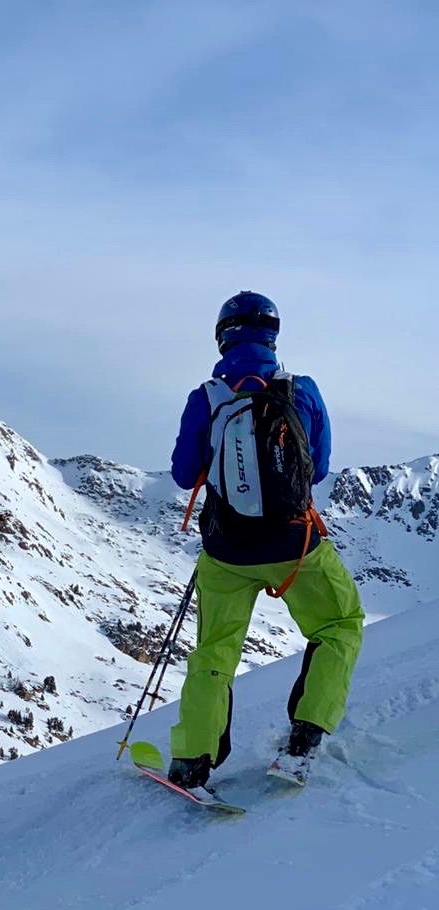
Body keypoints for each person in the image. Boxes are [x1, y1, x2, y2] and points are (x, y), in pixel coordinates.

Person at [167, 291, 364, 786]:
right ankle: (305, 738)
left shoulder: (206, 397)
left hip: (226, 551)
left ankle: (191, 760)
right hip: (295, 545)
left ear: (223, 336)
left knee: (215, 652)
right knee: (340, 624)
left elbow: (184, 474)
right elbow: (318, 468)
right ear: (273, 337)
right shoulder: (302, 390)